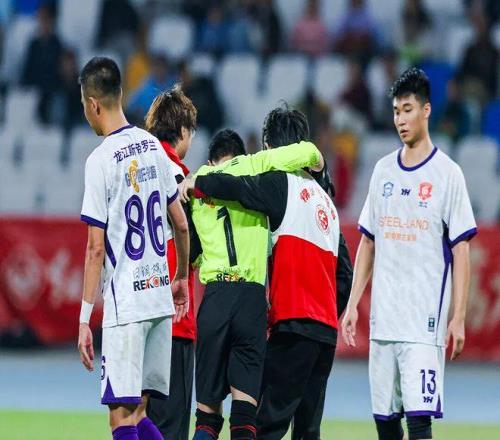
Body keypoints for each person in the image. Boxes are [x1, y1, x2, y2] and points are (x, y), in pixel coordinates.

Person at [187, 106, 352, 439]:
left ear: (269, 146)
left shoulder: (280, 184)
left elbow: (238, 187)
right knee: (307, 432)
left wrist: (198, 181)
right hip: (324, 334)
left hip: (292, 323)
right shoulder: (327, 203)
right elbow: (345, 274)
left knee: (265, 426)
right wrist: (326, 317)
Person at [342, 68, 477, 440]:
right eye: (396, 111)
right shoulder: (383, 171)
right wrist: (352, 304)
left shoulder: (448, 174)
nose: (400, 119)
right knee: (385, 425)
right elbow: (368, 242)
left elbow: (461, 250)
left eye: (407, 110)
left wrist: (458, 317)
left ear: (426, 110)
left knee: (419, 423)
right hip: (384, 322)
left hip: (423, 325)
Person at [77, 57, 189, 440]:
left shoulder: (100, 161)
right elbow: (180, 223)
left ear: (93, 104)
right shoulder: (153, 147)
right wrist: (181, 277)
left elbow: (95, 249)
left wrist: (84, 320)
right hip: (158, 298)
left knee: (120, 419)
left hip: (126, 307)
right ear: (121, 93)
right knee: (139, 412)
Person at [143, 86, 198, 440]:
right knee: (171, 426)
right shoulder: (178, 176)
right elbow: (189, 235)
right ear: (182, 131)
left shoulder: (136, 169)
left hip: (137, 312)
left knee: (136, 419)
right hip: (173, 319)